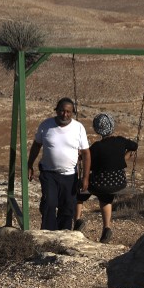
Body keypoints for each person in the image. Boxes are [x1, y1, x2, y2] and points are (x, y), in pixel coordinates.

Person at [28, 97, 90, 231]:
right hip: (49, 173)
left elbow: (86, 153)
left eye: (68, 112)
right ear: (56, 110)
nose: (65, 114)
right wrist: (29, 165)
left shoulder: (78, 128)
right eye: (62, 111)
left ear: (72, 113)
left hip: (69, 175)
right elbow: (36, 146)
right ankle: (48, 234)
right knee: (49, 203)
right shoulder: (46, 125)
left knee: (67, 207)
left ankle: (63, 235)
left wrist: (85, 177)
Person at [76, 112, 137, 243]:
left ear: (97, 129)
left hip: (100, 183)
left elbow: (87, 161)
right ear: (112, 126)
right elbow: (134, 146)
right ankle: (106, 227)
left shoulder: (96, 147)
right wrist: (123, 157)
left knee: (79, 192)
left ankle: (77, 220)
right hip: (119, 182)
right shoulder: (121, 141)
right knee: (106, 196)